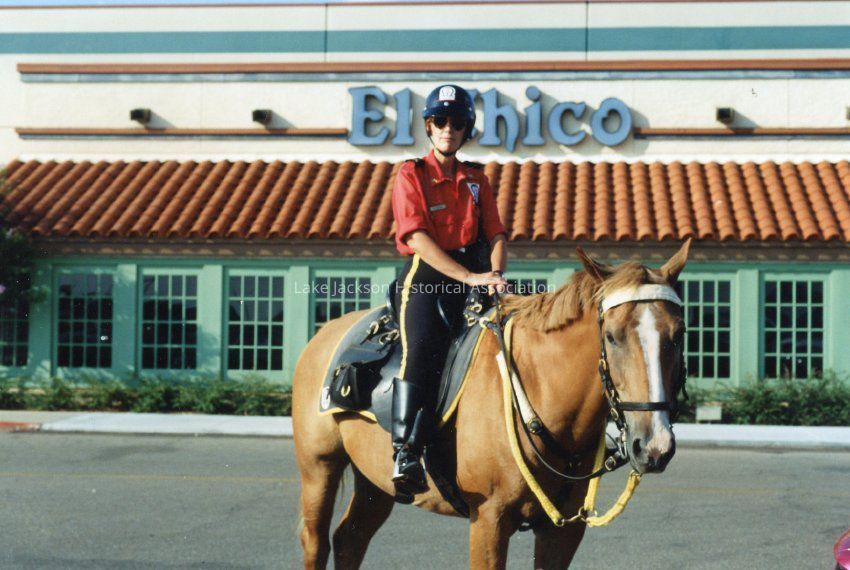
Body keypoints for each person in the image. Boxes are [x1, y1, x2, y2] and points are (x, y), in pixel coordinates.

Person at [390, 84, 508, 501]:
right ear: (428, 126)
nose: (448, 129)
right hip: (427, 275)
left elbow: (495, 233)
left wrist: (494, 274)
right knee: (423, 349)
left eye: (457, 123)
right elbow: (416, 237)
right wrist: (469, 277)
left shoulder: (477, 179)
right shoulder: (411, 174)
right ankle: (405, 452)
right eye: (440, 121)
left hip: (475, 274)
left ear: (465, 130)